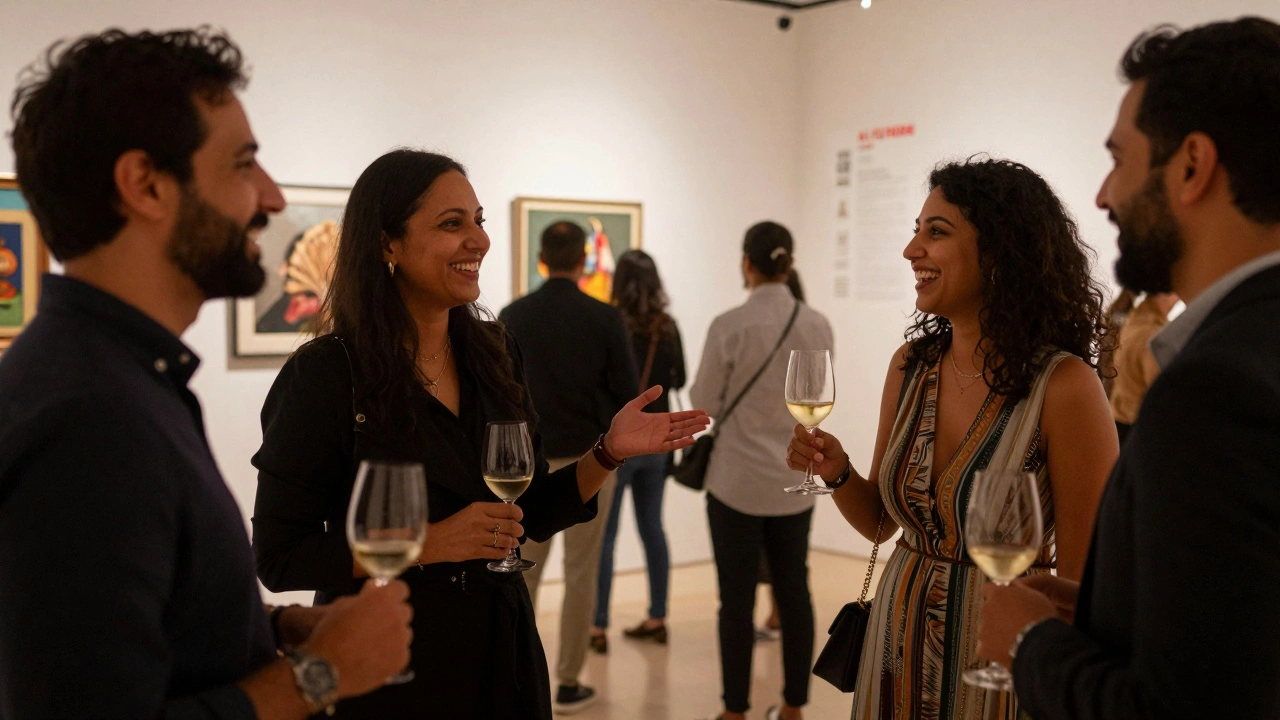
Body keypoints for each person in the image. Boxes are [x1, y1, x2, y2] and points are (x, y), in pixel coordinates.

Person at [0, 28, 413, 719]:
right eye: (244, 164)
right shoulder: (89, 417)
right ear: (147, 185)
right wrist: (322, 673)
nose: (273, 197)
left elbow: (132, 631)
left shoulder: (118, 376)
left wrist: (275, 630)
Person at [251, 148, 709, 719]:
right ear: (387, 243)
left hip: (502, 655)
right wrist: (431, 542)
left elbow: (526, 514)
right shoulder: (326, 374)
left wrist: (608, 451)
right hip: (390, 667)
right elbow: (280, 556)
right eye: (452, 224)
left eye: (479, 220)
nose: (480, 241)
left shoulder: (495, 351)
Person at [979, 18, 1280, 719]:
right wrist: (1105, 612)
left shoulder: (1215, 392)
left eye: (1120, 158)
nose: (1103, 195)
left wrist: (1027, 644)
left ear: (1190, 166)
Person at [788, 157, 1118, 719]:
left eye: (935, 233)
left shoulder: (1063, 387)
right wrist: (838, 472)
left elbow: (1088, 581)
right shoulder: (912, 366)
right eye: (915, 231)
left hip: (997, 662)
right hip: (893, 645)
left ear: (1001, 251)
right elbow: (882, 523)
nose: (911, 250)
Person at [691, 221, 834, 720]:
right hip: (795, 483)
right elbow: (818, 398)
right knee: (795, 591)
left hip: (735, 483)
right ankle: (794, 706)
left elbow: (704, 402)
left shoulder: (729, 325)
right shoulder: (817, 323)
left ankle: (734, 712)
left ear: (746, 264)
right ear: (788, 263)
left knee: (735, 600)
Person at [498, 220, 638, 712]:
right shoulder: (604, 318)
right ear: (583, 260)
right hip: (589, 461)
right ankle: (569, 679)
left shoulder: (513, 314)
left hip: (525, 462)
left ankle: (520, 670)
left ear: (541, 258)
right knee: (582, 571)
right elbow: (627, 393)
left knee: (522, 571)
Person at [590, 249, 687, 653]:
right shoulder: (667, 327)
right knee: (653, 529)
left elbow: (599, 382)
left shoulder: (610, 323)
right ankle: (657, 616)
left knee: (605, 536)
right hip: (658, 441)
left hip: (619, 442)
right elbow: (680, 375)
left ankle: (597, 627)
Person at [1108, 290, 1179, 442]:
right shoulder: (1154, 335)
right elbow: (1163, 398)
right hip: (1138, 431)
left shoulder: (1134, 318)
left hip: (1119, 423)